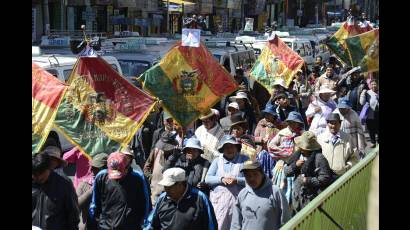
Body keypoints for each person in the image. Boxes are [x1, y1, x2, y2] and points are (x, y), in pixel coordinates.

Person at [90, 151, 151, 230]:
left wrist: (144, 225)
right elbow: (95, 204)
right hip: (106, 226)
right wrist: (96, 223)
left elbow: (145, 204)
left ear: (127, 166)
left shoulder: (138, 178)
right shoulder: (101, 177)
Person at [144, 168, 218, 230]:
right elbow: (150, 224)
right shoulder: (162, 198)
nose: (166, 189)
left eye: (169, 186)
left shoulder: (200, 198)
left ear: (180, 184)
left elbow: (211, 226)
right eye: (165, 186)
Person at [205, 135, 249, 230]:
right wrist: (221, 179)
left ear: (236, 148)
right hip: (219, 203)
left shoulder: (244, 160)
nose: (229, 150)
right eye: (226, 147)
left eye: (232, 146)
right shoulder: (217, 161)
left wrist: (237, 180)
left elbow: (252, 180)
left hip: (238, 203)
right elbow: (207, 179)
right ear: (222, 149)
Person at [230, 161, 291, 230]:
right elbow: (235, 224)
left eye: (255, 174)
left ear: (262, 174)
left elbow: (286, 221)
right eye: (248, 176)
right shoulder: (242, 194)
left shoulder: (275, 192)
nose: (251, 178)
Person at [284, 131, 333, 214]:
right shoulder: (297, 155)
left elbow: (325, 178)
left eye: (303, 148)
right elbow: (286, 172)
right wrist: (295, 165)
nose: (301, 149)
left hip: (312, 199)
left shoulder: (319, 158)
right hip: (297, 198)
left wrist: (308, 180)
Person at [32, 153, 80, 230]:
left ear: (49, 168)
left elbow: (73, 214)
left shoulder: (63, 183)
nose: (39, 177)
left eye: (41, 173)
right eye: (35, 174)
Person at [267, 111, 304, 202]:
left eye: (295, 122)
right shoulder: (282, 133)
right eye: (290, 122)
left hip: (298, 165)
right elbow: (271, 146)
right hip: (283, 164)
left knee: (296, 189)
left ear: (299, 123)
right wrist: (285, 153)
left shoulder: (302, 134)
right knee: (281, 187)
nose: (292, 124)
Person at [143, 130, 179, 205]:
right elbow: (146, 167)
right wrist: (151, 177)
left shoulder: (178, 157)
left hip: (172, 196)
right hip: (155, 193)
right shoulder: (156, 151)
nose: (165, 149)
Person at [76, 153, 108, 230]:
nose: (91, 170)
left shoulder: (111, 185)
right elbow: (75, 205)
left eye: (95, 168)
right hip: (86, 226)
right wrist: (91, 190)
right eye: (91, 167)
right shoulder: (84, 184)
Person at [360, 79, 379, 148]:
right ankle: (373, 142)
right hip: (370, 114)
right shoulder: (367, 92)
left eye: (375, 84)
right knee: (371, 129)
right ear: (370, 85)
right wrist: (362, 93)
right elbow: (362, 102)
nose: (374, 86)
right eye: (372, 84)